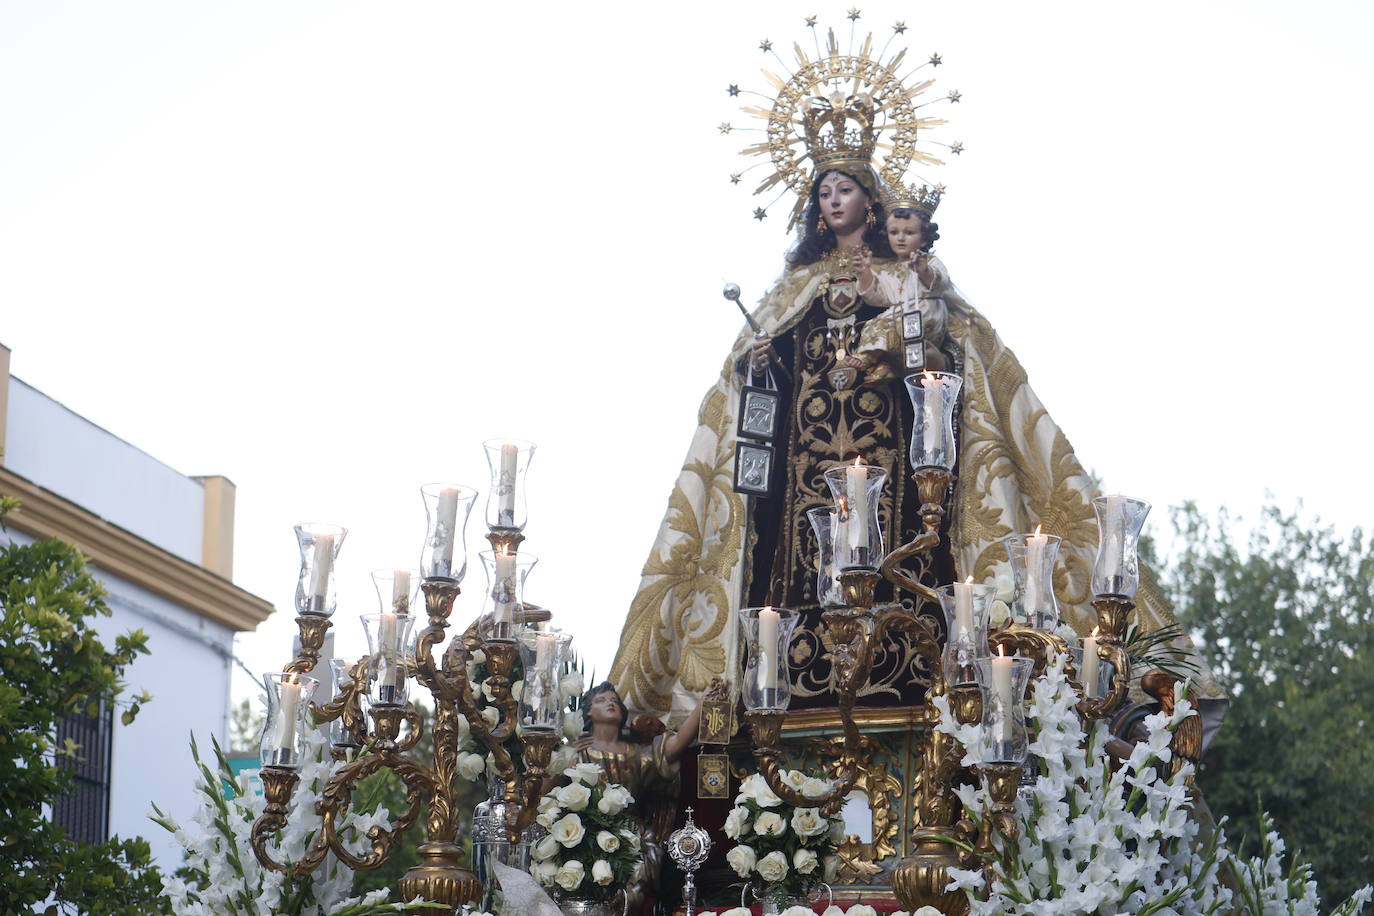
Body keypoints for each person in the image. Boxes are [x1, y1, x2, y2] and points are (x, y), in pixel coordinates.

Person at [573, 680, 719, 911]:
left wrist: (702, 704)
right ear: (589, 712)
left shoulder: (636, 753)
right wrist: (561, 751)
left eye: (614, 700)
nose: (610, 703)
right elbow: (547, 787)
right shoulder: (578, 752)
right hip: (586, 836)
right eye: (601, 700)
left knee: (635, 885)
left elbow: (675, 745)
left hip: (634, 838)